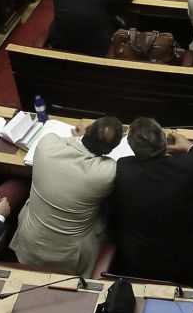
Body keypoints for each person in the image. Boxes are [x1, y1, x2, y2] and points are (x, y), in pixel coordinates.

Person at [109, 117, 193, 284]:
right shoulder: (191, 163)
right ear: (165, 141)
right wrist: (192, 146)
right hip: (192, 265)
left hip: (139, 264)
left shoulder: (124, 168)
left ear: (133, 149)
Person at [12, 114, 123, 273]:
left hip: (29, 243)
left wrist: (80, 138)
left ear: (88, 130)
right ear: (110, 150)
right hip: (70, 258)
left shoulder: (47, 144)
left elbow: (63, 142)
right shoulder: (107, 171)